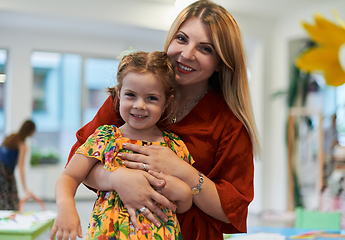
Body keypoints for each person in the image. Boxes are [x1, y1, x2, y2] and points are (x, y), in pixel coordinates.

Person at [67, 0, 260, 239]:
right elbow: (78, 162)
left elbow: (231, 209)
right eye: (181, 39)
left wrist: (184, 172)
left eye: (205, 49)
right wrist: (116, 178)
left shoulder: (229, 123)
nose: (187, 54)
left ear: (220, 62)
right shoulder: (132, 96)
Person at [50, 51, 195, 240]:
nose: (139, 105)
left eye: (151, 98)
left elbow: (182, 205)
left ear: (167, 101)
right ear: (118, 95)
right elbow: (69, 176)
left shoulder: (174, 146)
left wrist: (184, 193)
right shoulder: (105, 137)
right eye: (131, 95)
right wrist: (66, 207)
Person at [0, 119, 37, 210]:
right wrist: (25, 188)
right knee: (10, 200)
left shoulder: (10, 137)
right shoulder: (22, 145)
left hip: (2, 169)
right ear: (30, 131)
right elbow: (21, 166)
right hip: (5, 172)